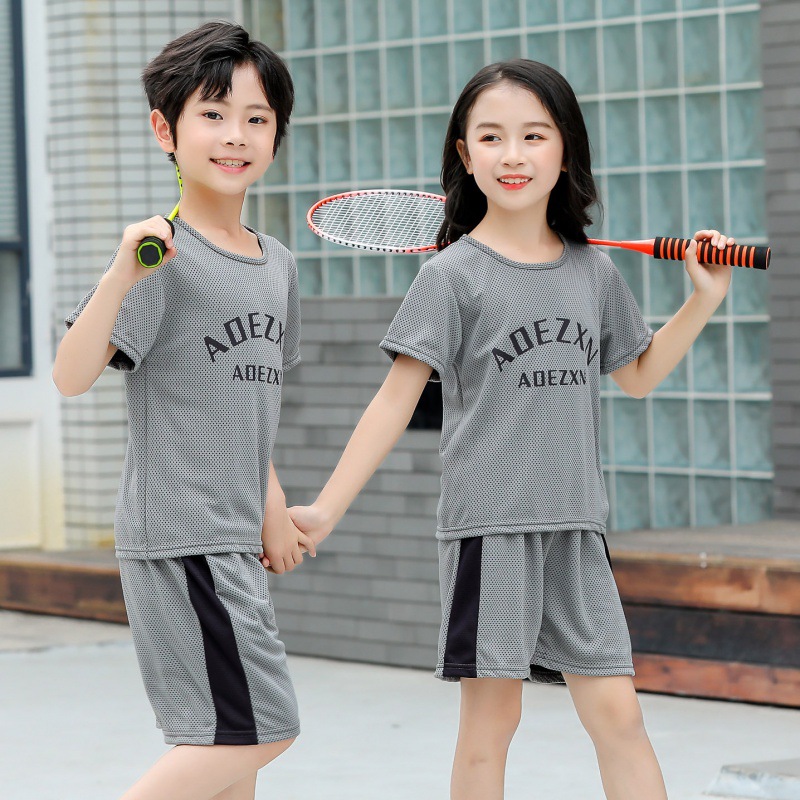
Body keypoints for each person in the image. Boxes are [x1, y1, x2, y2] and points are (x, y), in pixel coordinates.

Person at [288, 59, 735, 800]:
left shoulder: (594, 274)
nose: (514, 154)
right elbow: (393, 403)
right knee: (491, 725)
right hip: (489, 532)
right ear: (466, 156)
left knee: (620, 718)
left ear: (565, 150)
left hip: (576, 530)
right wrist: (326, 510)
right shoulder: (451, 276)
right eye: (492, 137)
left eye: (534, 134)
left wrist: (704, 298)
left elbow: (638, 374)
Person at [52, 21, 314, 800]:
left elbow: (248, 408)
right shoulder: (159, 254)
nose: (236, 135)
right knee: (262, 730)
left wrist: (271, 510)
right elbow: (70, 376)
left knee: (227, 752)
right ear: (166, 130)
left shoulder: (278, 266)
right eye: (213, 114)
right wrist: (119, 276)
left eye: (257, 118)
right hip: (181, 536)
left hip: (231, 536)